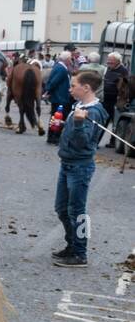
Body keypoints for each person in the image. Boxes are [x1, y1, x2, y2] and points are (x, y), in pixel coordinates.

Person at [52, 70, 109, 268]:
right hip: (66, 163)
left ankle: (80, 253)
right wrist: (60, 125)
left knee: (78, 211)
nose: (70, 89)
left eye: (73, 85)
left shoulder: (94, 112)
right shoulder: (79, 105)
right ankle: (71, 245)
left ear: (86, 88)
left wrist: (77, 123)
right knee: (61, 208)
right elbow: (72, 134)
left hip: (80, 167)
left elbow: (84, 142)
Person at [8, 52, 43, 135]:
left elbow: (9, 80)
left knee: (12, 90)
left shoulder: (17, 66)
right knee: (37, 99)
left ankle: (21, 124)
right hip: (36, 79)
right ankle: (40, 123)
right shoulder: (35, 64)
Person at [102, 53, 129, 146]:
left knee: (115, 122)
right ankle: (96, 141)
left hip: (116, 100)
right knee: (103, 120)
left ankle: (113, 141)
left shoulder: (123, 71)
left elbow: (125, 87)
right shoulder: (108, 69)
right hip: (106, 99)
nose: (108, 62)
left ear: (118, 61)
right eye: (108, 60)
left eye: (111, 61)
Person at [45, 51, 74, 118]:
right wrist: (47, 91)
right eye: (70, 59)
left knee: (55, 118)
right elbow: (54, 82)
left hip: (59, 98)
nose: (71, 61)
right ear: (66, 59)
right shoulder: (61, 69)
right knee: (57, 118)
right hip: (60, 98)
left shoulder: (59, 66)